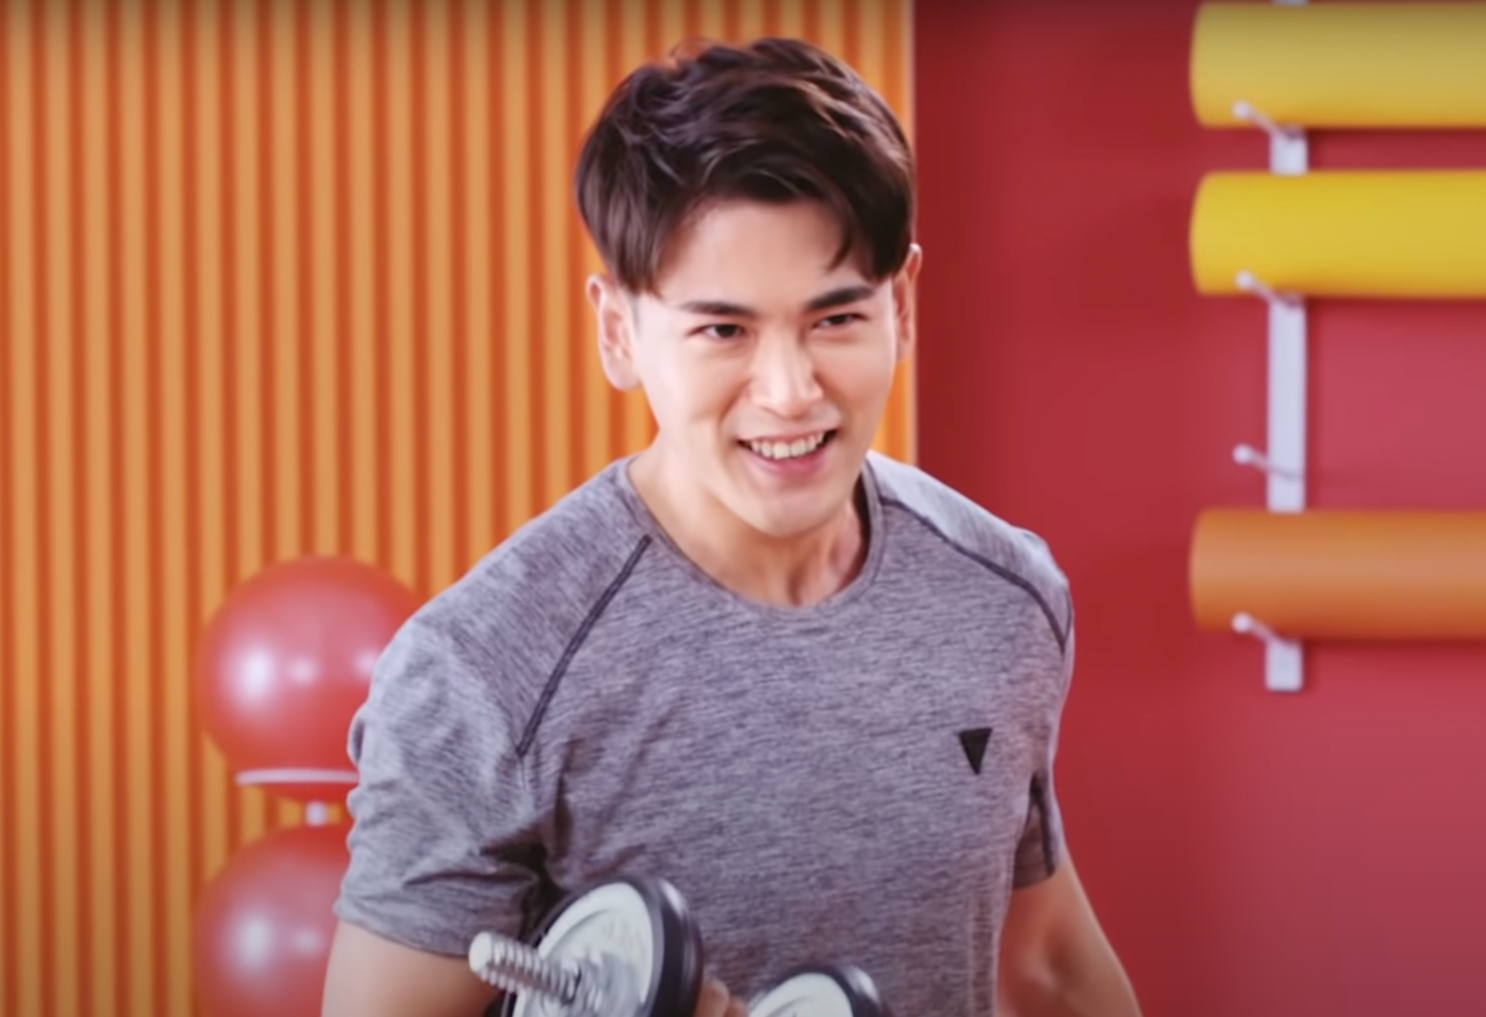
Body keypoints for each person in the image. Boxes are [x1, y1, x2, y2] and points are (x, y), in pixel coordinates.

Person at [322, 36, 1140, 1017]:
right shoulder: (483, 671)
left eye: (836, 319)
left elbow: (1044, 966)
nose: (790, 391)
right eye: (723, 330)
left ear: (902, 305)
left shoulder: (1002, 595)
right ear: (619, 332)